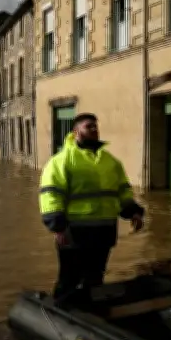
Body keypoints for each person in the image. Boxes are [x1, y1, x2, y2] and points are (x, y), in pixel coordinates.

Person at [39, 113, 145, 302]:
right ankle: (62, 312)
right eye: (89, 126)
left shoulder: (110, 161)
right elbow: (51, 195)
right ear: (75, 131)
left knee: (95, 277)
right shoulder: (61, 161)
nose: (94, 130)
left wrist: (134, 212)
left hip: (104, 230)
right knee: (69, 278)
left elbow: (122, 190)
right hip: (74, 231)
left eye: (96, 126)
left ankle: (92, 311)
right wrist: (58, 226)